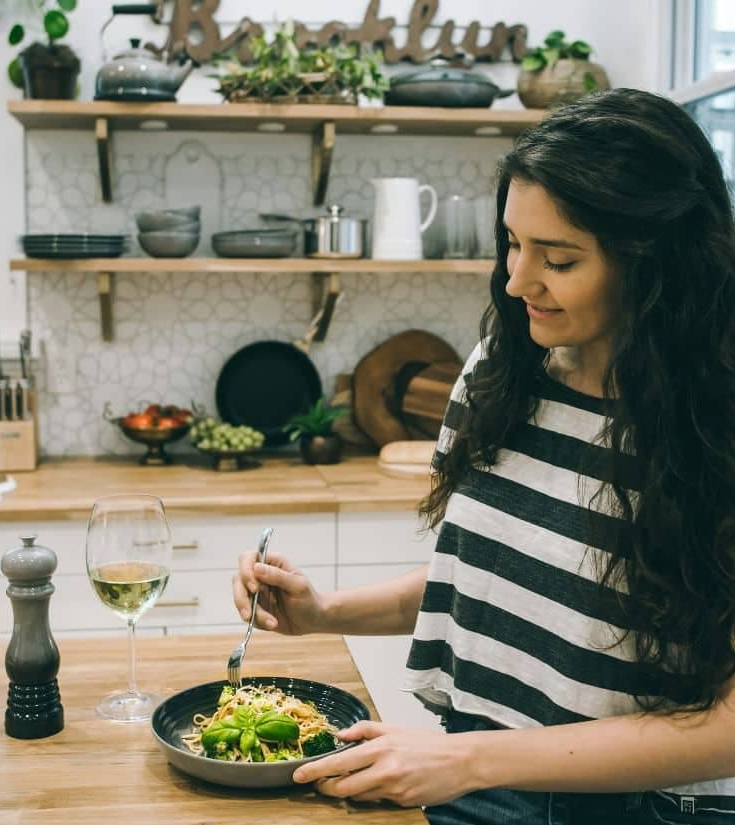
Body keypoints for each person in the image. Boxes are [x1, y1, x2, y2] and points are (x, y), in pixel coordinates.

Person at [232, 88, 735, 825]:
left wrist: (466, 762)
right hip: (482, 777)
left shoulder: (714, 426)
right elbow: (494, 574)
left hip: (646, 807)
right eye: (512, 243)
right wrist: (323, 612)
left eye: (557, 258)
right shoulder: (506, 367)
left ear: (657, 263)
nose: (515, 279)